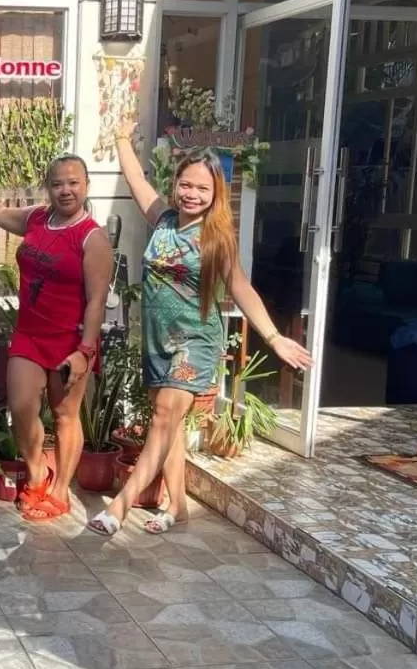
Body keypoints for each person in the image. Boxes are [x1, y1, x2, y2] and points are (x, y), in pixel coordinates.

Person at [86, 123, 313, 536]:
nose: (191, 194)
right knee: (167, 427)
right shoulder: (163, 219)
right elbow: (136, 179)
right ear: (176, 185)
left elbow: (240, 287)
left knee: (163, 415)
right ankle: (178, 507)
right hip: (157, 340)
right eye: (185, 185)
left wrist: (274, 336)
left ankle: (119, 508)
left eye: (202, 189)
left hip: (194, 341)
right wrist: (120, 136)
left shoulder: (217, 236)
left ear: (215, 195)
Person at [0, 155, 113, 520]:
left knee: (65, 415)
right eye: (57, 184)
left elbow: (97, 302)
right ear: (47, 187)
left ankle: (60, 491)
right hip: (30, 333)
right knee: (21, 406)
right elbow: (1, 213)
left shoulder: (92, 238)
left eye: (73, 183)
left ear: (86, 185)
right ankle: (37, 472)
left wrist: (85, 352)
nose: (65, 190)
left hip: (70, 341)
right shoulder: (38, 218)